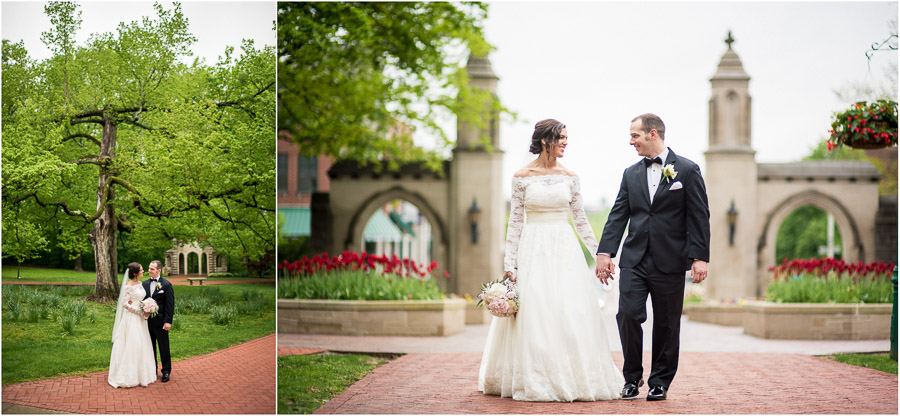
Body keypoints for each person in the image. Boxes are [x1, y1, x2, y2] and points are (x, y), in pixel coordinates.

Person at [478, 119, 624, 402]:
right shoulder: (521, 177)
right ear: (546, 140)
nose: (566, 143)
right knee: (536, 312)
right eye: (562, 138)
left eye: (567, 138)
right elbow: (515, 222)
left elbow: (581, 221)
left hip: (564, 248)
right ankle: (534, 374)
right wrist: (510, 262)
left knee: (570, 310)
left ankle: (572, 374)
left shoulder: (570, 176)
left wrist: (600, 254)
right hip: (532, 249)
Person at [595, 113, 710, 401]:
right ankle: (631, 377)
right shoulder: (630, 174)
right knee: (628, 314)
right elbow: (618, 215)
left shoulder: (687, 170)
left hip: (671, 260)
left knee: (667, 323)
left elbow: (699, 216)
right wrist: (605, 252)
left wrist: (699, 257)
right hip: (634, 259)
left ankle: (660, 381)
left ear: (653, 134)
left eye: (635, 135)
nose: (630, 140)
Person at [108, 262, 157, 388]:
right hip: (132, 318)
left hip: (141, 319)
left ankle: (142, 374)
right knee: (133, 344)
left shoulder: (140, 284)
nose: (143, 271)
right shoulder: (128, 286)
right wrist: (140, 311)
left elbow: (140, 299)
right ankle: (128, 375)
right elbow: (124, 304)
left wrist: (148, 306)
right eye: (141, 270)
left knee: (142, 344)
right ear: (135, 273)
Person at [144, 260, 175, 382]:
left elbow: (169, 305)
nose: (149, 270)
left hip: (161, 322)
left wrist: (168, 321)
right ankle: (153, 370)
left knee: (164, 347)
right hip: (146, 322)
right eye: (149, 268)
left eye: (152, 269)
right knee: (150, 347)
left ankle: (166, 371)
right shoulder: (144, 284)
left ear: (159, 270)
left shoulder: (166, 285)